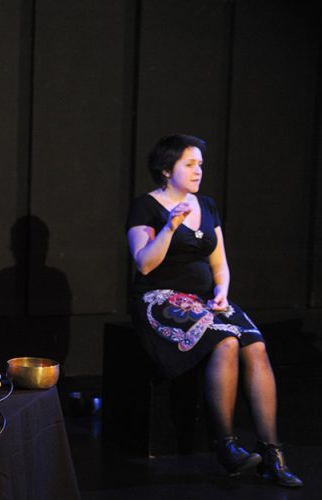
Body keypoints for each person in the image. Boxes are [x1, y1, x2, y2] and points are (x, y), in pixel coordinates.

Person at [125, 134, 302, 488]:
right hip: (160, 298)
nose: (198, 171)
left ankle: (272, 454)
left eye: (200, 165)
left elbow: (219, 264)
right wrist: (170, 227)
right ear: (166, 170)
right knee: (226, 341)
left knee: (255, 344)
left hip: (205, 297)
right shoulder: (147, 206)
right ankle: (226, 446)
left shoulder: (206, 205)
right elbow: (144, 263)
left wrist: (222, 292)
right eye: (189, 164)